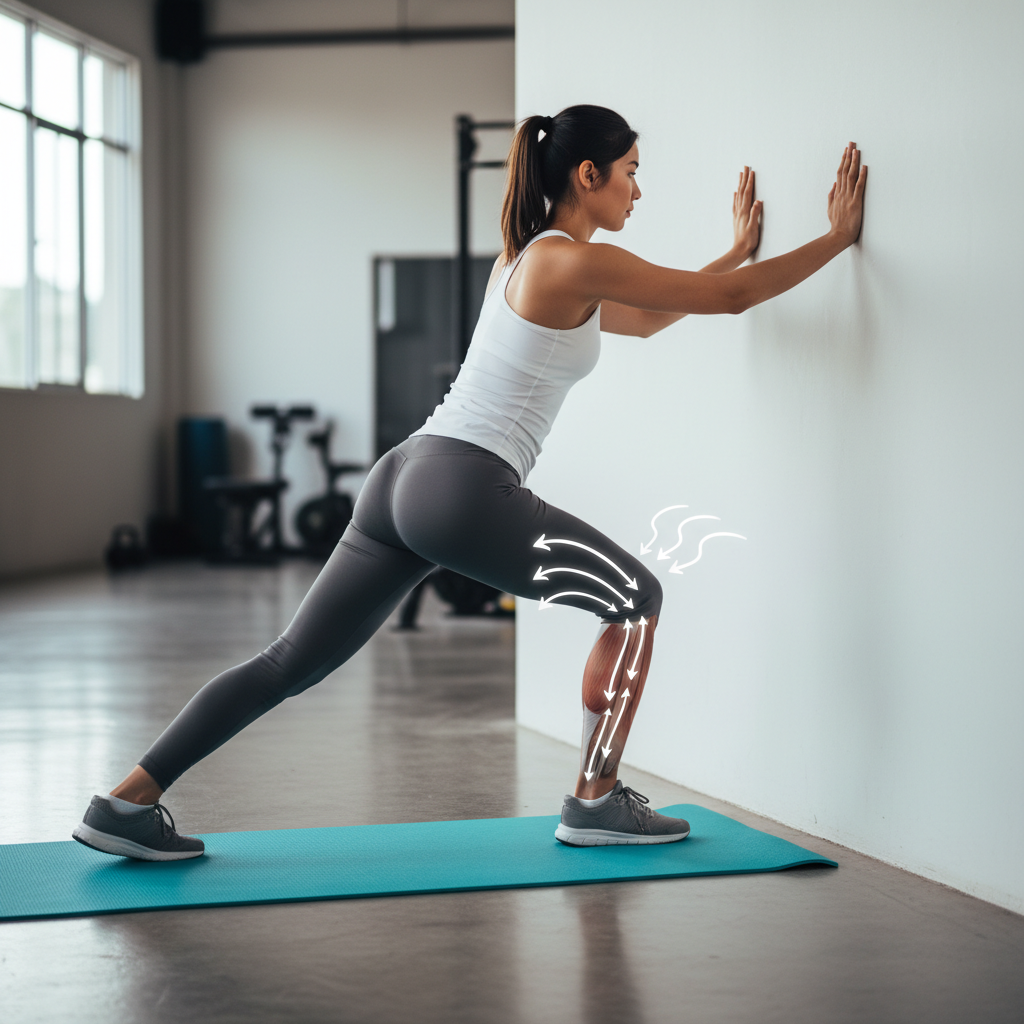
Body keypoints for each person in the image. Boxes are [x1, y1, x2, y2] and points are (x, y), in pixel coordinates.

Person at [73, 105, 866, 860]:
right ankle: (596, 799)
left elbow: (657, 314)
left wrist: (733, 253)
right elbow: (724, 305)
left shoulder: (527, 260)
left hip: (402, 477)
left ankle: (126, 803)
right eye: (630, 171)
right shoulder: (573, 256)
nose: (638, 188)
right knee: (637, 599)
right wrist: (836, 239)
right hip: (460, 486)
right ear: (587, 175)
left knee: (289, 661)